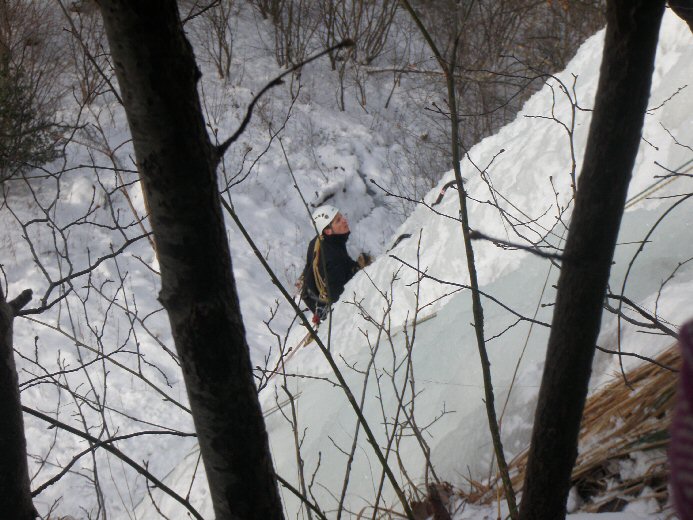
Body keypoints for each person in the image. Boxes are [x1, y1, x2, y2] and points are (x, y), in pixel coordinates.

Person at [300, 205, 371, 323]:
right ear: (328, 230)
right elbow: (340, 295)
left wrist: (356, 268)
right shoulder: (331, 257)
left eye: (341, 216)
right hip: (330, 305)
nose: (344, 220)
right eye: (338, 220)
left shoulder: (321, 240)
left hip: (314, 295)